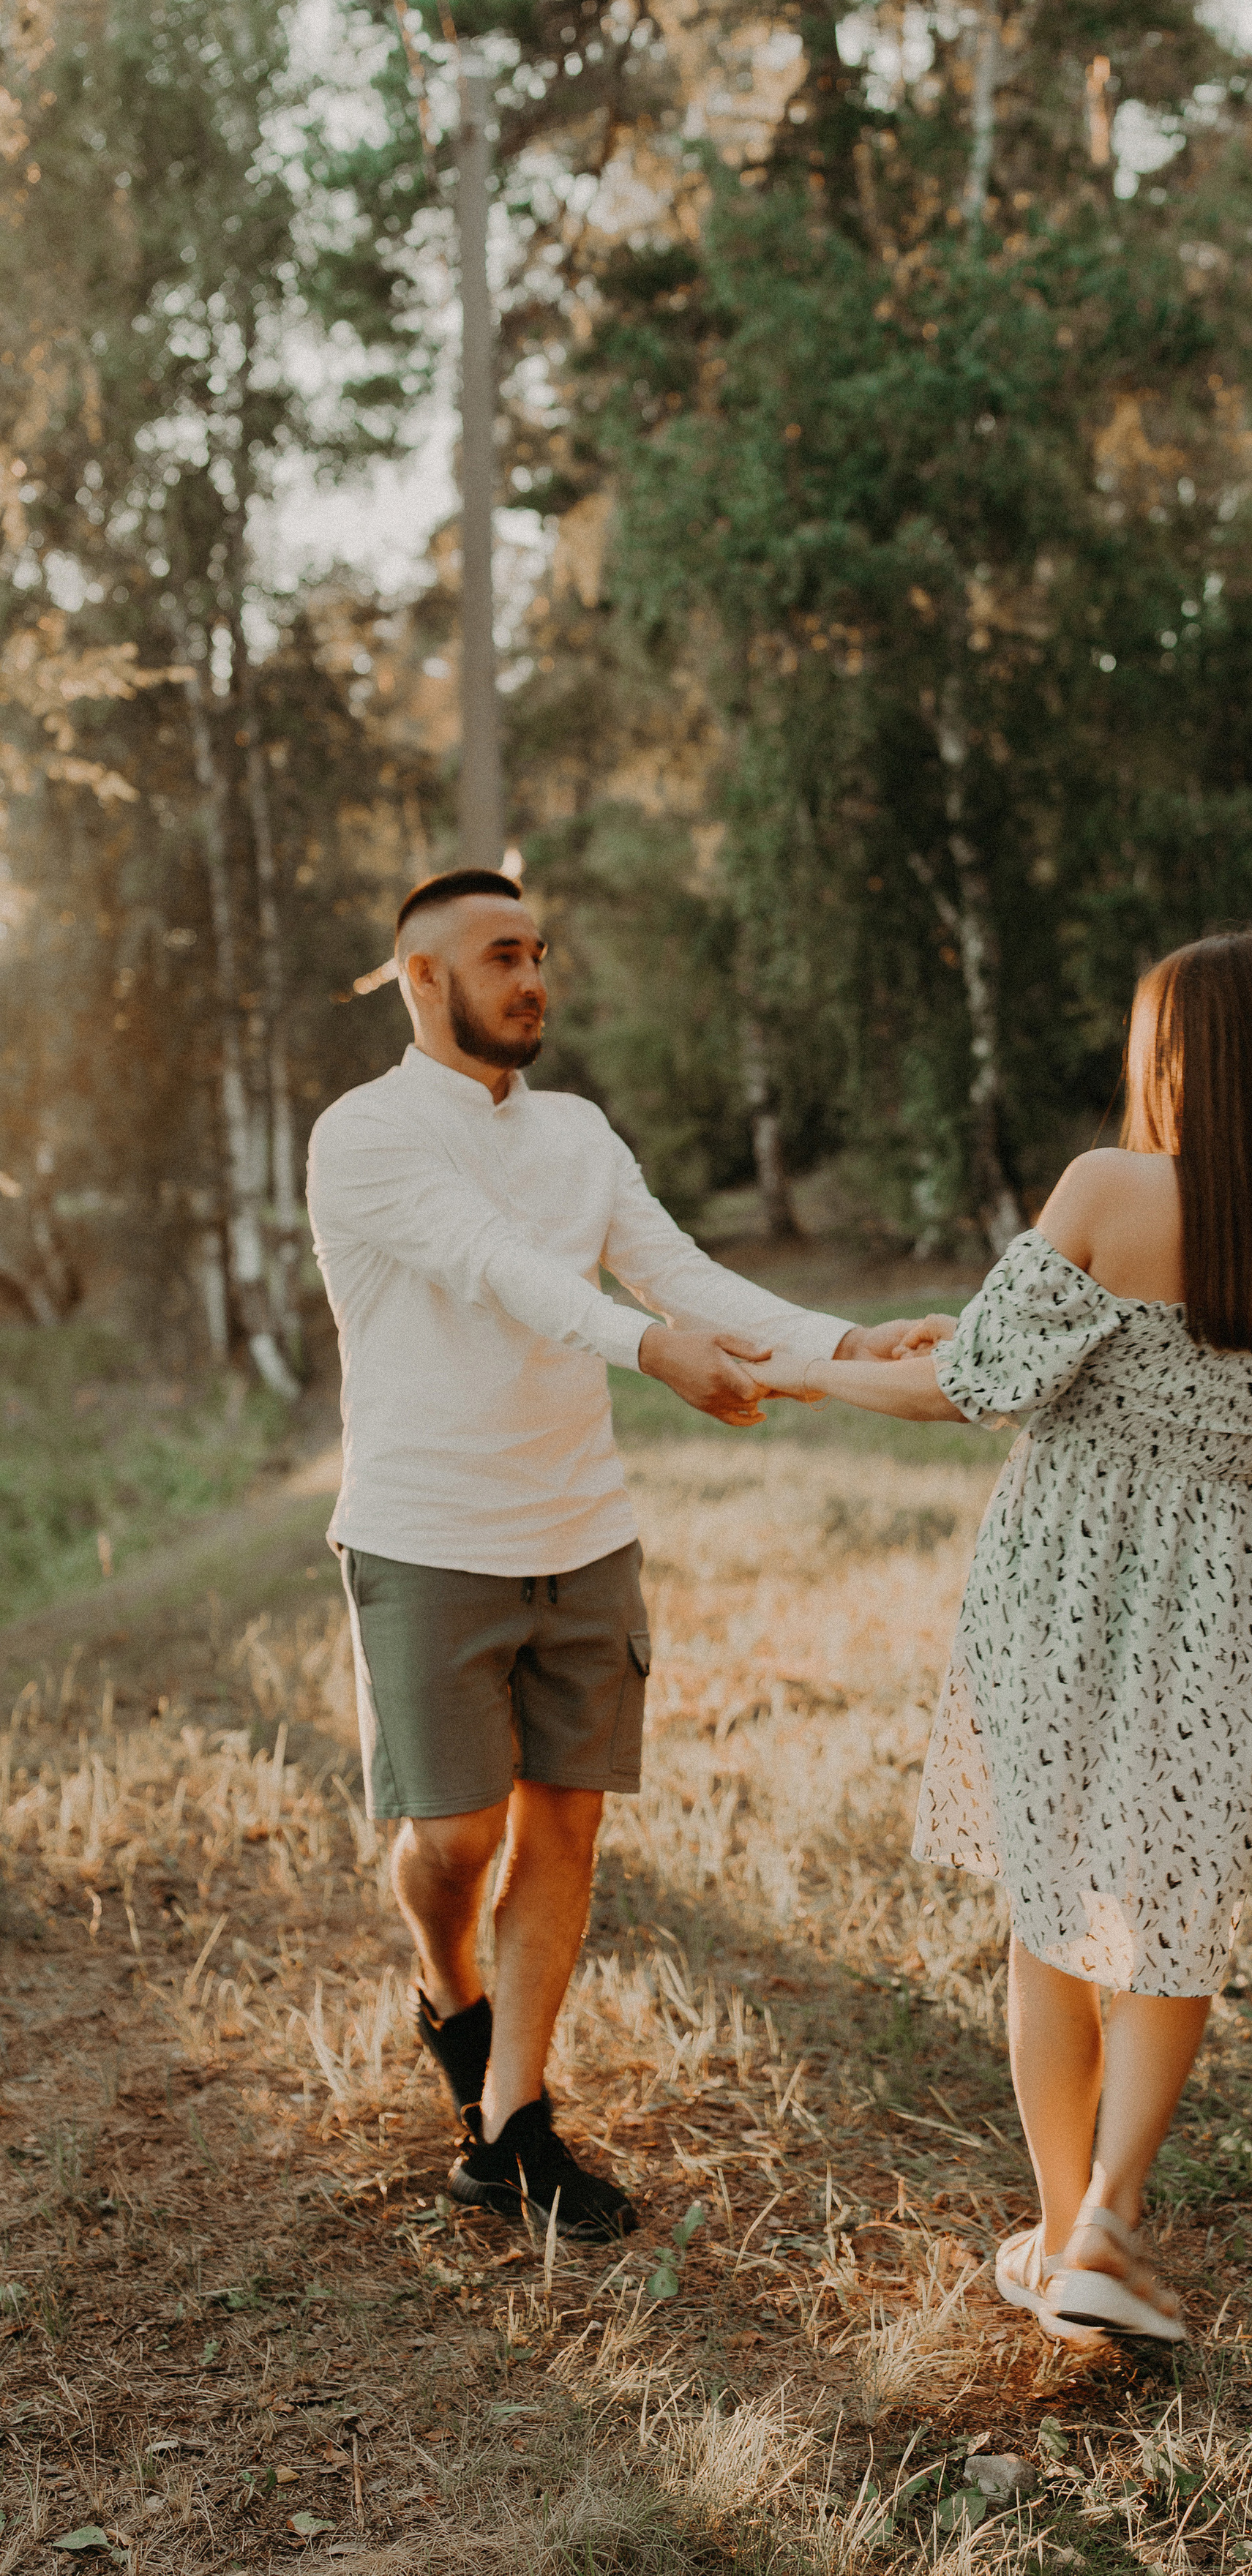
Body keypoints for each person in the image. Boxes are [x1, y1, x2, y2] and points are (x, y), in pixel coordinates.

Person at [760, 929, 1252, 2343]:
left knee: (1051, 1918)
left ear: (1175, 1055)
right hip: (1227, 1600)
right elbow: (1164, 1369)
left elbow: (973, 1388)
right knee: (1172, 1913)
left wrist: (809, 1369)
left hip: (1066, 1585)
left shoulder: (1108, 1188)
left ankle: (1054, 2240)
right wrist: (973, 1325)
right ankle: (1111, 2217)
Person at [306, 868, 939, 2239]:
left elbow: (681, 1272)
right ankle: (446, 1984)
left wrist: (839, 1341)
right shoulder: (363, 1136)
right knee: (456, 1836)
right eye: (499, 955)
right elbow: (499, 1266)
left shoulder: (581, 1133)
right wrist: (649, 1350)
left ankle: (513, 2124)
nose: (533, 978)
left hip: (583, 1531)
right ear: (423, 978)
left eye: (539, 952)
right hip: (428, 1540)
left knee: (565, 1825)